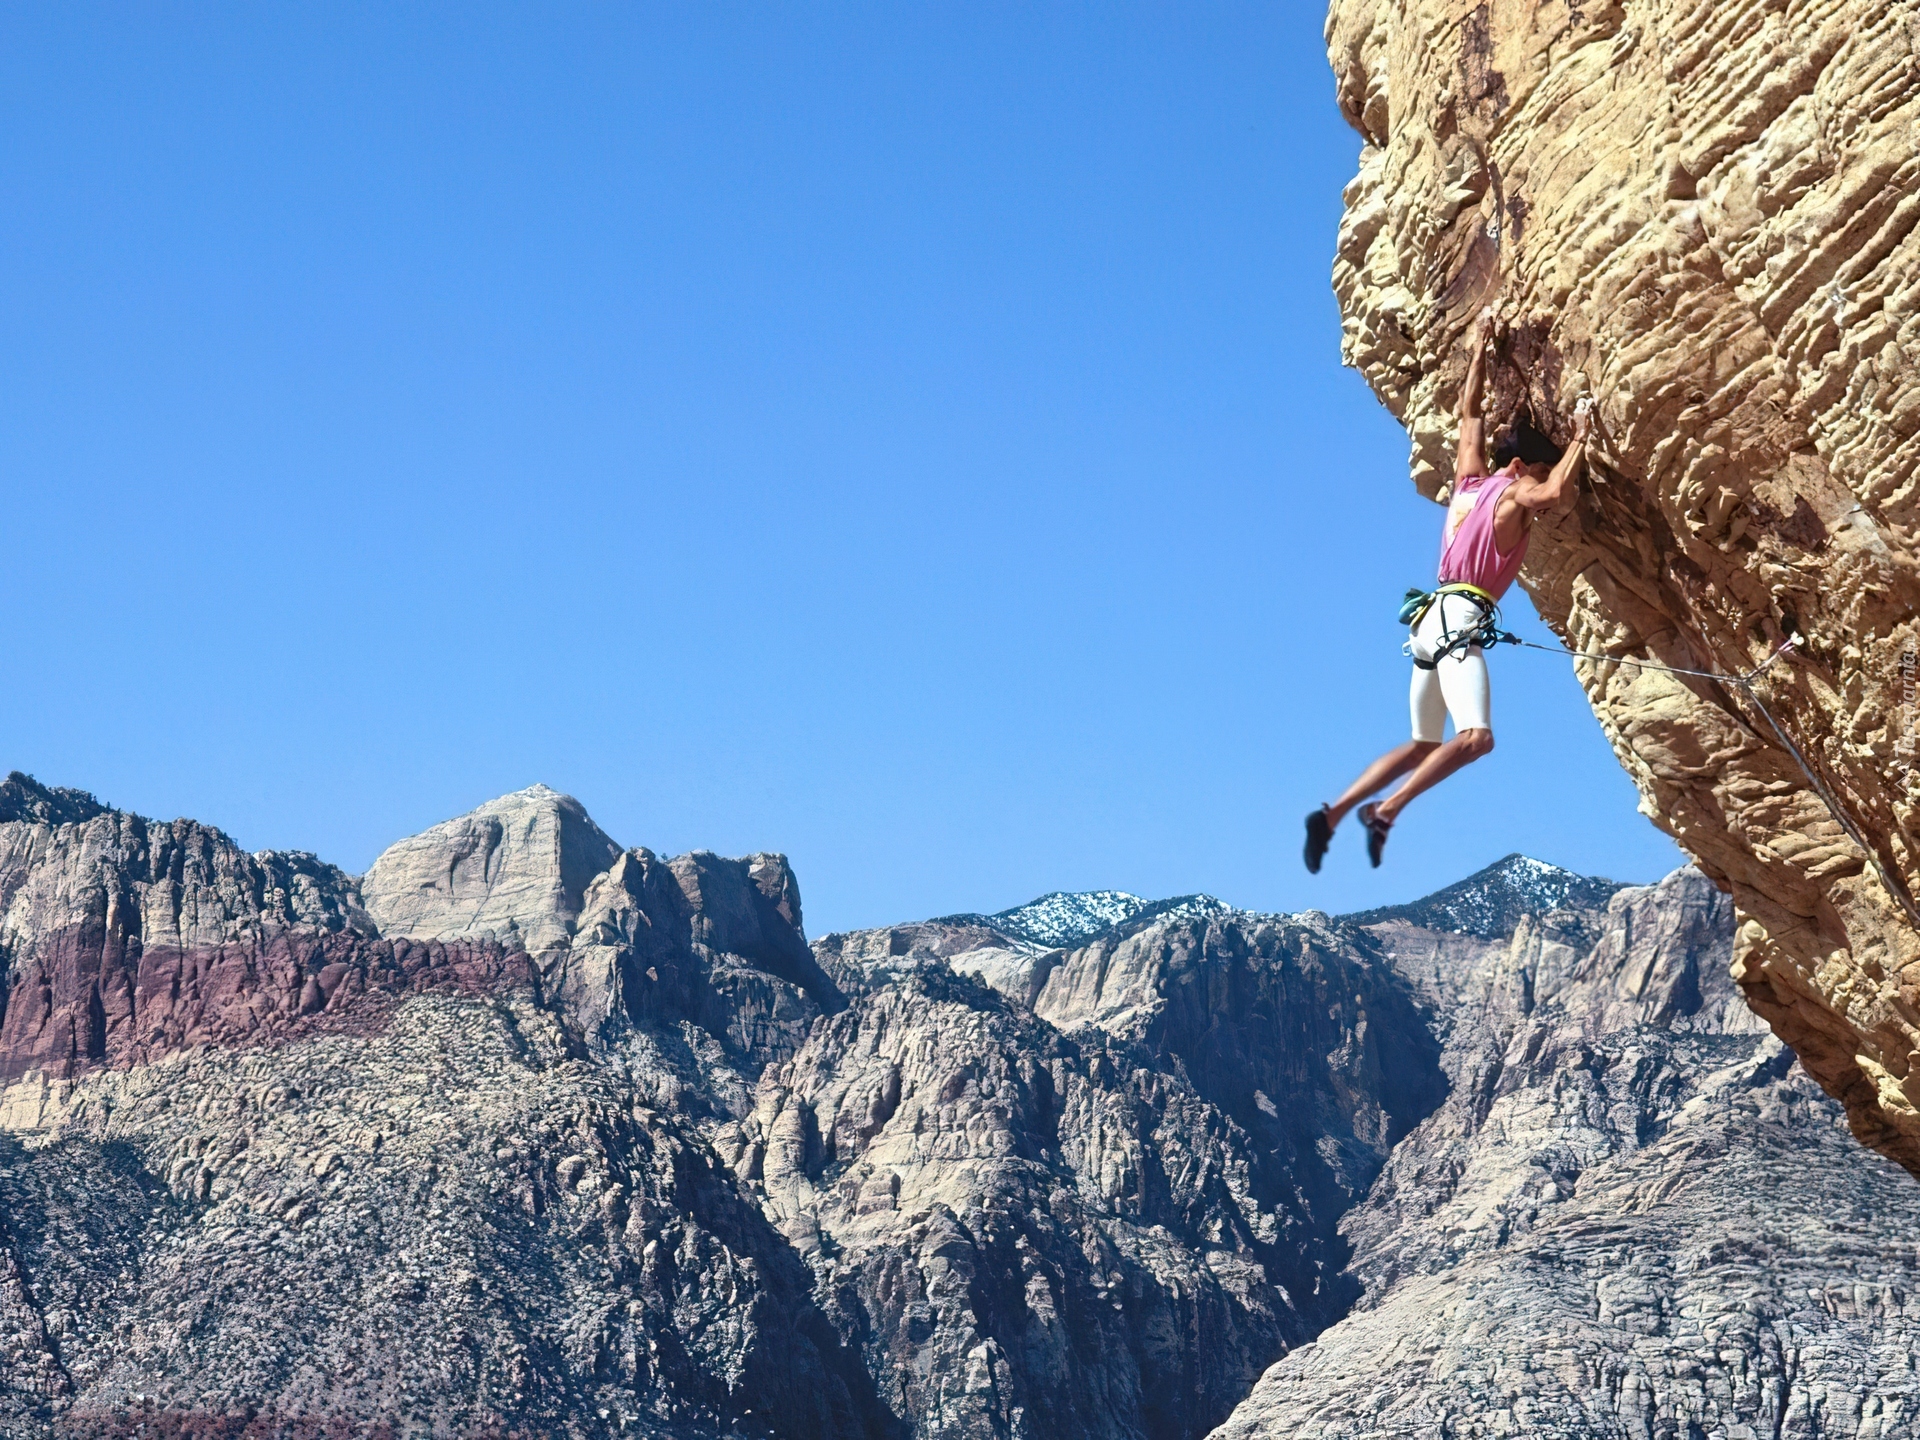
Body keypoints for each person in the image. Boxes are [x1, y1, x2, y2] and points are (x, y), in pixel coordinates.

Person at [1304, 308, 1593, 871]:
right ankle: (1384, 810)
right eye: (1538, 467)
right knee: (1476, 738)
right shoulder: (1514, 491)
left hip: (1428, 621)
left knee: (1422, 744)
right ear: (1520, 464)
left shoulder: (1467, 481)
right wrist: (1581, 437)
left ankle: (1332, 814)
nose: (1539, 478)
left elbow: (1469, 411)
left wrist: (1481, 342)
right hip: (1458, 619)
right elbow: (1554, 493)